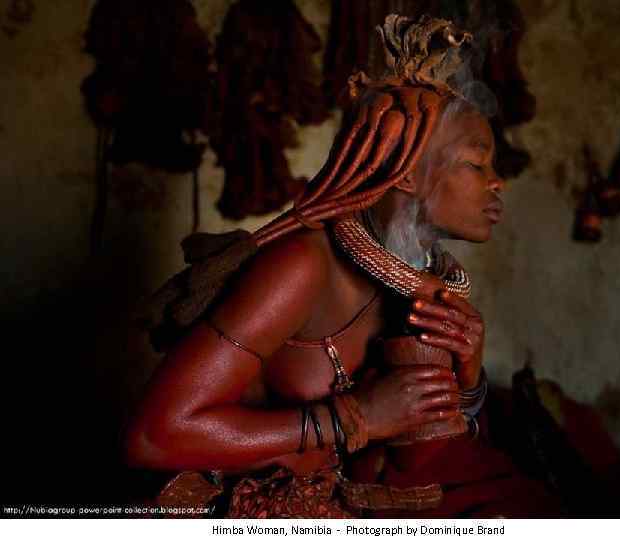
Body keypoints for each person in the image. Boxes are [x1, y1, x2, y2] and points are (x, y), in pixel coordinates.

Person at [125, 14, 558, 518]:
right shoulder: (300, 266)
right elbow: (153, 437)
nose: (497, 182)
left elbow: (408, 457)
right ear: (405, 175)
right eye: (476, 163)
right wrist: (357, 416)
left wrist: (467, 375)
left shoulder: (418, 282)